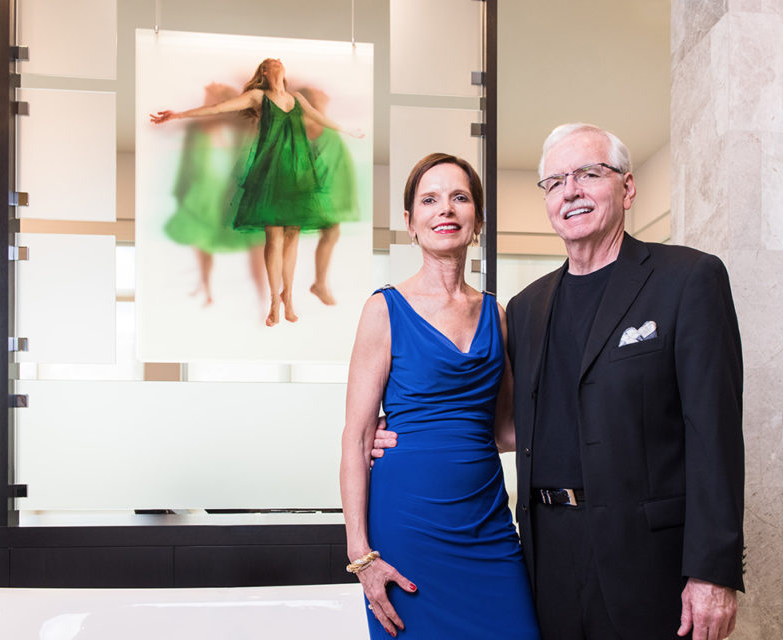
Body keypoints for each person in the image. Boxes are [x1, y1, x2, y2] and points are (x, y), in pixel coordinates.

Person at [374, 123, 745, 640]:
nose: (571, 190)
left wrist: (712, 572)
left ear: (627, 188)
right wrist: (403, 435)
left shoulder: (689, 280)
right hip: (545, 564)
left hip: (650, 566)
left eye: (589, 174)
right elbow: (505, 423)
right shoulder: (525, 309)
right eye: (555, 181)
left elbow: (716, 436)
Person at [340, 153, 540, 639]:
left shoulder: (499, 314)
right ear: (410, 223)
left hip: (488, 525)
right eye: (429, 200)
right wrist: (361, 556)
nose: (444, 210)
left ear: (477, 219)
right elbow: (356, 437)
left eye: (459, 198)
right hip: (407, 530)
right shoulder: (383, 309)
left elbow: (507, 431)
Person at [151, 58, 361, 326]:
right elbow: (219, 108)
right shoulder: (257, 97)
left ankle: (289, 297)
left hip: (297, 174)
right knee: (274, 238)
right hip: (270, 174)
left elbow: (319, 118)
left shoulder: (296, 99)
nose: (279, 62)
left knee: (292, 236)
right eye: (273, 62)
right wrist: (178, 115)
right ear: (265, 71)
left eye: (280, 61)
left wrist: (348, 130)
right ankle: (275, 300)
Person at [162, 82, 266, 306]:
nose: (206, 106)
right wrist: (180, 192)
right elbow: (187, 165)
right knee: (201, 238)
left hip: (234, 193)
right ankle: (206, 285)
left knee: (255, 242)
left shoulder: (244, 130)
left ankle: (263, 296)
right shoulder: (198, 132)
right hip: (204, 192)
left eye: (211, 101)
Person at [298, 87, 360, 306]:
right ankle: (316, 285)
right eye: (317, 97)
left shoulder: (319, 123)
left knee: (331, 232)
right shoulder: (309, 123)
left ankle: (319, 284)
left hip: (326, 188)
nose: (323, 98)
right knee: (320, 232)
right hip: (314, 189)